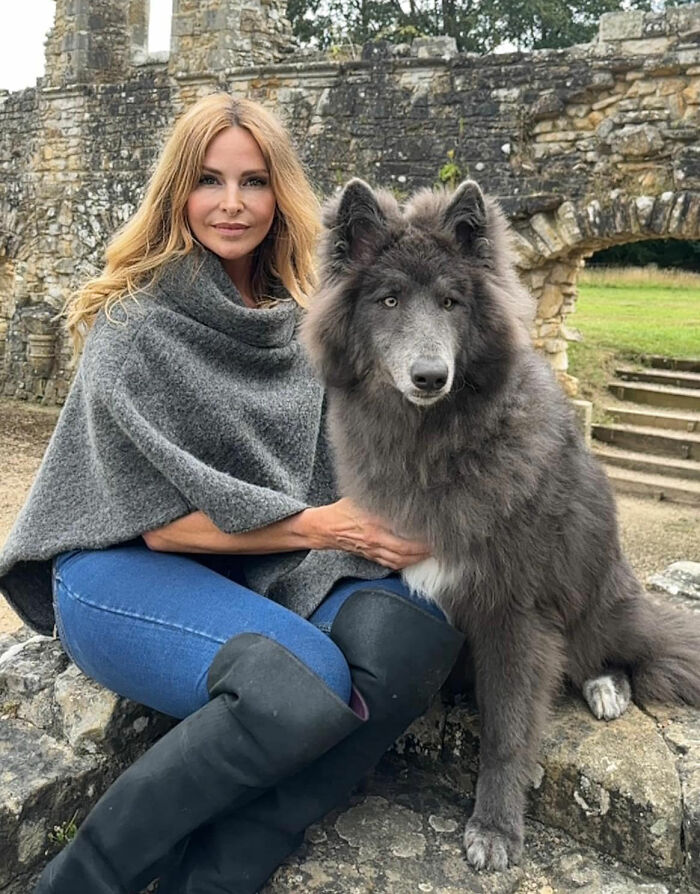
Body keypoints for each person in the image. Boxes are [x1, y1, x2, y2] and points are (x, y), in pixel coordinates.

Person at [0, 93, 464, 893]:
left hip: (257, 565)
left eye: (253, 182)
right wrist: (328, 527)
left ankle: (215, 878)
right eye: (209, 180)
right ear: (177, 191)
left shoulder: (305, 318)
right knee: (301, 684)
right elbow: (161, 528)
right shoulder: (135, 326)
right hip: (120, 569)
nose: (232, 204)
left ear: (280, 193)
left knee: (415, 632)